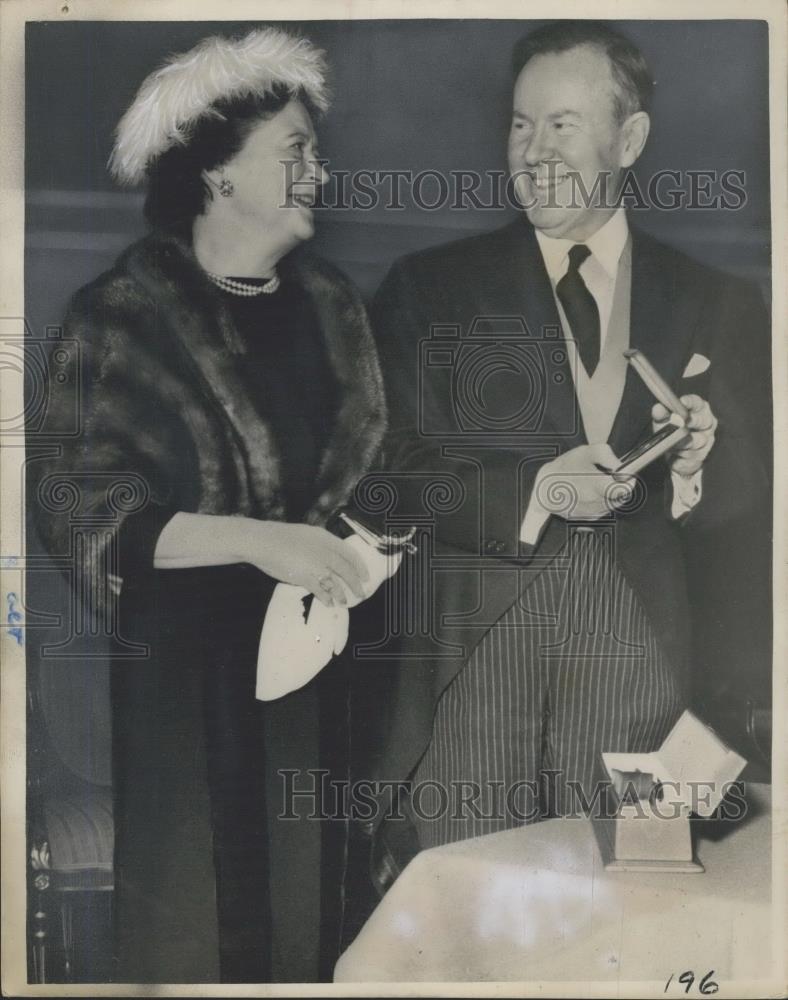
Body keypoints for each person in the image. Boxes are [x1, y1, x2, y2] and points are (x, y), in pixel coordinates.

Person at [357, 20, 770, 881]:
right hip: (472, 663)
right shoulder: (428, 289)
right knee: (464, 923)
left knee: (626, 921)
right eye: (520, 124)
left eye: (562, 124)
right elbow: (383, 474)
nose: (534, 151)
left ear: (631, 138)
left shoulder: (718, 300)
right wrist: (533, 493)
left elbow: (751, 509)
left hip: (645, 673)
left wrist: (697, 467)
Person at [33, 28, 386, 983]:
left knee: (315, 929)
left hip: (315, 674)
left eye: (315, 149)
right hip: (185, 689)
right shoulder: (119, 316)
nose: (319, 169)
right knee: (200, 940)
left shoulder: (334, 309)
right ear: (218, 174)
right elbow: (77, 503)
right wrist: (263, 541)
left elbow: (375, 476)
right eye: (295, 150)